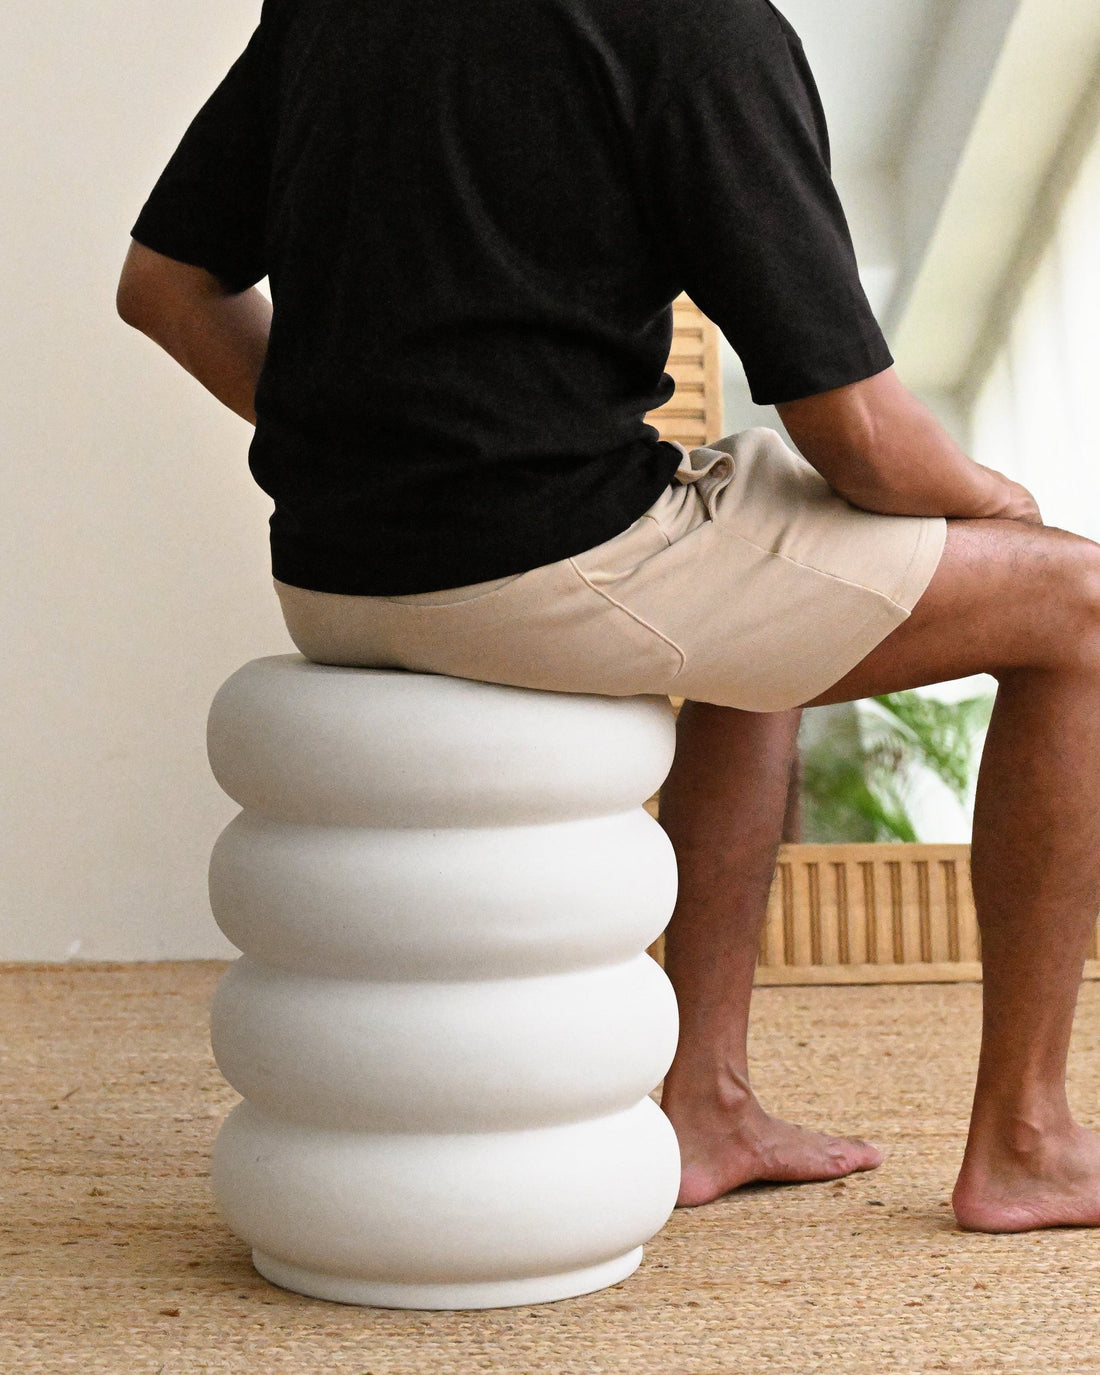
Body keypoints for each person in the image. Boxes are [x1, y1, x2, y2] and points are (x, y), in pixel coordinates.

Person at [117, 0, 1100, 1234]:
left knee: (773, 565)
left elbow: (162, 286)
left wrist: (364, 455)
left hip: (330, 574)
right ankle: (1027, 1140)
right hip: (539, 569)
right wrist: (1008, 513)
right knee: (1081, 609)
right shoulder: (699, 30)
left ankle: (704, 1100)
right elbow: (860, 437)